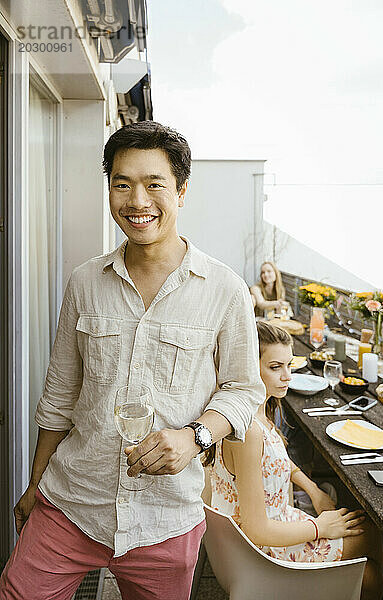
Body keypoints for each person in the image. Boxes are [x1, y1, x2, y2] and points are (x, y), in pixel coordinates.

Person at [0, 122, 265, 600]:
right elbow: (60, 396)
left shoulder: (225, 290)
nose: (137, 200)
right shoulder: (85, 282)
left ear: (182, 190)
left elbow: (245, 389)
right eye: (122, 184)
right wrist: (35, 487)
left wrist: (196, 436)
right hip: (72, 502)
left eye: (154, 184)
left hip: (165, 520)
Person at [208, 321, 383, 600]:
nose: (287, 376)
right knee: (371, 544)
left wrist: (313, 490)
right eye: (275, 367)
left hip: (266, 532)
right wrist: (321, 526)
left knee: (369, 539)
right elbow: (257, 529)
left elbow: (274, 461)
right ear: (248, 367)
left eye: (289, 365)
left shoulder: (248, 412)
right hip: (262, 552)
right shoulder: (249, 431)